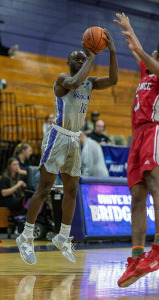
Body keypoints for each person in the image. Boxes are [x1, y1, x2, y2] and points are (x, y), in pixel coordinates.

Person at [16, 29, 118, 265]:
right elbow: (74, 81)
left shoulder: (90, 82)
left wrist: (111, 51)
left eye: (83, 58)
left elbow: (113, 80)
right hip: (58, 137)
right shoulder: (63, 79)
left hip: (75, 138)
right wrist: (92, 57)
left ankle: (63, 236)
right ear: (68, 62)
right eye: (78, 58)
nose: (81, 60)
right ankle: (26, 236)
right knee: (45, 188)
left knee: (72, 190)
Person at [114, 13, 159, 287]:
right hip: (137, 137)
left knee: (155, 186)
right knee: (137, 198)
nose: (148, 56)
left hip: (154, 131)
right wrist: (130, 33)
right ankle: (137, 256)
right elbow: (139, 52)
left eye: (154, 54)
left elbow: (157, 66)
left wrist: (139, 48)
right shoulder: (147, 72)